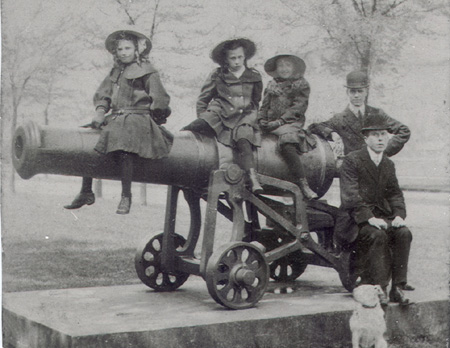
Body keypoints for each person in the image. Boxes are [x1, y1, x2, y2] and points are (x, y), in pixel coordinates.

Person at [64, 30, 172, 214]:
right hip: (116, 117)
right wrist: (99, 112)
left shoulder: (148, 71)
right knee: (88, 141)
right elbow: (104, 94)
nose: (123, 52)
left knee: (125, 148)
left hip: (138, 119)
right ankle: (86, 191)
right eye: (120, 48)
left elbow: (160, 100)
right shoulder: (116, 71)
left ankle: (126, 196)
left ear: (138, 49)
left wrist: (155, 118)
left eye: (128, 48)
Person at [337, 115, 413, 305]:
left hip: (381, 216)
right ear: (365, 138)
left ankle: (398, 287)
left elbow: (395, 193)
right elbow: (350, 196)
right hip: (355, 219)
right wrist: (369, 218)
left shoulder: (388, 163)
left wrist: (398, 215)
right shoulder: (352, 161)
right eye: (375, 135)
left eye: (383, 135)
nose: (380, 139)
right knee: (378, 236)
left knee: (404, 233)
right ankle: (380, 289)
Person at [183, 38, 263, 193]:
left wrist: (252, 119)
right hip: (221, 112)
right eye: (233, 58)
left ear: (245, 56)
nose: (237, 61)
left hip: (244, 115)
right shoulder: (218, 75)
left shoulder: (254, 76)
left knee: (244, 140)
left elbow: (256, 100)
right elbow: (203, 99)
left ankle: (253, 178)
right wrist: (203, 116)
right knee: (199, 126)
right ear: (226, 60)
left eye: (240, 57)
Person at [308, 70, 410, 165]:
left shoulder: (377, 114)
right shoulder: (339, 119)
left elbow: (404, 131)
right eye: (353, 91)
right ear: (347, 92)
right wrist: (332, 133)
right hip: (351, 171)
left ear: (366, 92)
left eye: (360, 91)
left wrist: (383, 151)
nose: (356, 95)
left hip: (375, 168)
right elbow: (313, 127)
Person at [258, 54, 317, 200]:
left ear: (294, 68)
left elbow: (298, 108)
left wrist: (280, 121)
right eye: (281, 66)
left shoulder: (301, 85)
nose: (284, 69)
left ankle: (303, 183)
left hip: (290, 123)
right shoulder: (272, 85)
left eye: (288, 65)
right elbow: (264, 106)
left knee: (287, 144)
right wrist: (261, 120)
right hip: (271, 122)